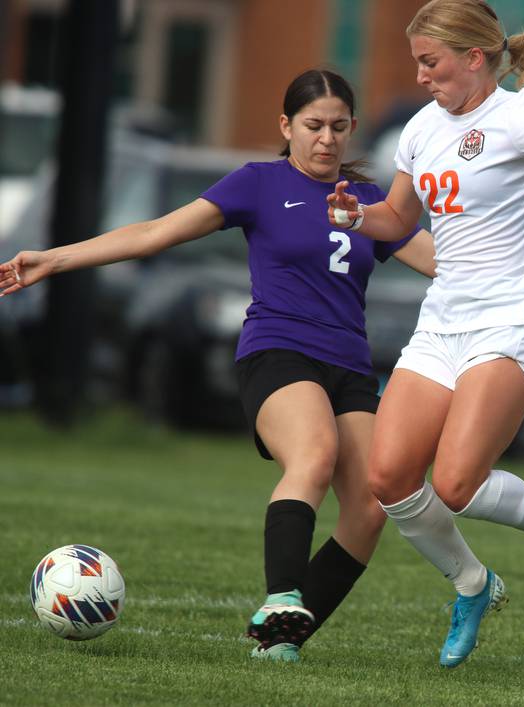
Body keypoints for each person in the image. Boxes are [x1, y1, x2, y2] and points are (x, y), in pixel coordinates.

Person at [0, 69, 435, 663]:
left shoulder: (368, 204)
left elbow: (443, 263)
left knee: (369, 508)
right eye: (313, 126)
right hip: (278, 351)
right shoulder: (258, 183)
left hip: (351, 368)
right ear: (286, 127)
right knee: (313, 454)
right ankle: (281, 595)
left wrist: (519, 272)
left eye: (338, 127)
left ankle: (281, 641)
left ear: (353, 128)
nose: (327, 139)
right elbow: (156, 232)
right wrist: (54, 258)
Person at [327, 0, 524, 668]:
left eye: (431, 63)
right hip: (442, 324)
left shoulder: (523, 115)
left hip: (515, 322)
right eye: (416, 64)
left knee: (458, 482)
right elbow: (398, 217)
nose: (423, 76)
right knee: (389, 476)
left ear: (473, 57)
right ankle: (472, 584)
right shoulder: (419, 129)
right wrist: (356, 214)